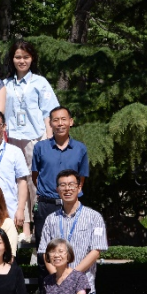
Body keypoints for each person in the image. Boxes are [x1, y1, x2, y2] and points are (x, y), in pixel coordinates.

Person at [31, 106, 90, 248]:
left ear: (71, 122)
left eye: (64, 119)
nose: (60, 123)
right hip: (46, 205)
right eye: (56, 120)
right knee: (44, 250)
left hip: (71, 206)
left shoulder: (80, 149)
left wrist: (71, 194)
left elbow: (81, 178)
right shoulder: (40, 147)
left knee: (72, 248)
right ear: (50, 123)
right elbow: (35, 176)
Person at [4, 40, 60, 168]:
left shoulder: (40, 82)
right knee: (14, 175)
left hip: (35, 137)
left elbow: (49, 112)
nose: (22, 61)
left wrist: (49, 139)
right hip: (12, 137)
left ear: (32, 58)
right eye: (18, 57)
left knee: (34, 176)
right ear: (12, 59)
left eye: (26, 57)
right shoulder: (5, 84)